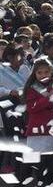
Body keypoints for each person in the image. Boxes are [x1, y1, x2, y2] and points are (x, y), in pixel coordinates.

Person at [23, 58, 53, 187]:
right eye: (40, 72)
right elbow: (31, 108)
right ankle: (41, 181)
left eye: (46, 72)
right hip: (40, 129)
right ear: (34, 73)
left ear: (51, 73)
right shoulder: (32, 88)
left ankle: (52, 179)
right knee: (41, 158)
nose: (43, 75)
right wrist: (47, 98)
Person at [0, 45, 31, 174]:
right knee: (13, 134)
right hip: (8, 104)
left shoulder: (24, 68)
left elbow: (32, 83)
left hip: (26, 103)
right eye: (20, 57)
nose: (23, 59)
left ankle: (27, 165)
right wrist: (9, 91)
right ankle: (10, 165)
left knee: (27, 133)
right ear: (9, 57)